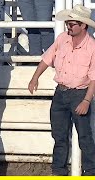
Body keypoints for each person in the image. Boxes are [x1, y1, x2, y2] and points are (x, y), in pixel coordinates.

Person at [28, 4, 95, 176]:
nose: (68, 26)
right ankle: (58, 172)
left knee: (86, 138)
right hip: (61, 92)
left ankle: (90, 172)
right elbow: (47, 58)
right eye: (68, 23)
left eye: (72, 24)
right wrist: (35, 77)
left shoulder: (92, 47)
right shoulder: (62, 39)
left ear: (83, 25)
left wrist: (87, 100)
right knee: (59, 136)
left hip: (80, 93)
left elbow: (94, 77)